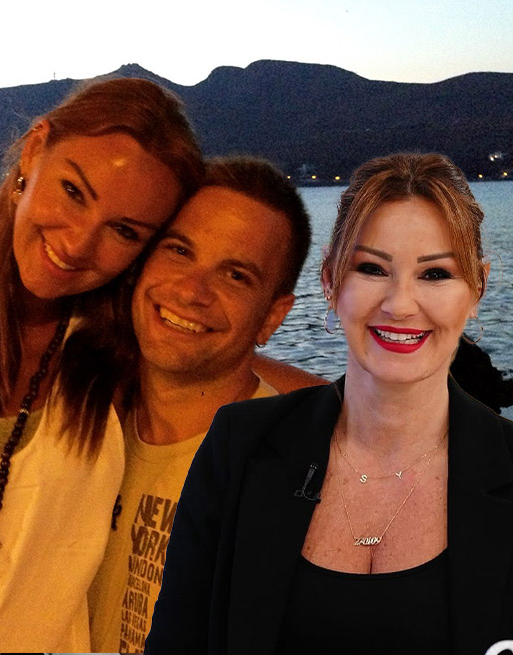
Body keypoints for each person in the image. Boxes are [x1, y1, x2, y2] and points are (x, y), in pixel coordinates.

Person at [145, 152, 513, 655]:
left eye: (435, 274)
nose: (400, 304)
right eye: (372, 268)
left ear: (477, 288)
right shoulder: (237, 447)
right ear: (331, 280)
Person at [0, 77, 204, 652]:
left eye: (124, 231)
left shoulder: (119, 354)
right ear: (35, 150)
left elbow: (246, 377)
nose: (79, 244)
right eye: (74, 192)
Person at [87, 155, 321, 653]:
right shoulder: (85, 425)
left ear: (272, 316)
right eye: (179, 250)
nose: (192, 291)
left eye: (236, 276)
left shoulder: (291, 487)